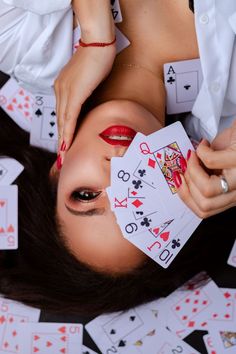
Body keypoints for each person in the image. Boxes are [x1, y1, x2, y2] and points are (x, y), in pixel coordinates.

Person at [0, 0, 235, 314]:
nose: (116, 173)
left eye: (86, 195)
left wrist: (96, 34)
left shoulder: (21, 40)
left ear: (57, 170)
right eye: (140, 205)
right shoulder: (228, 97)